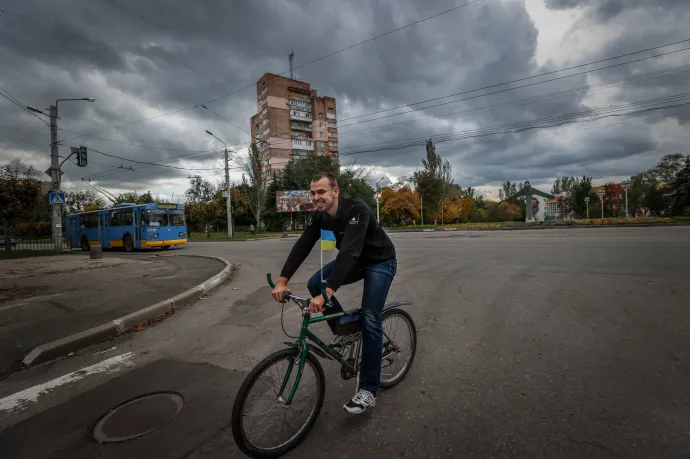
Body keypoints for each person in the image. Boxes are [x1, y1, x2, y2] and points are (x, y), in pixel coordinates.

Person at [271, 172, 397, 414]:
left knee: (371, 317)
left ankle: (369, 390)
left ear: (335, 191)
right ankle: (347, 329)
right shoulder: (321, 216)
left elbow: (348, 252)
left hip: (381, 262)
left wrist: (327, 294)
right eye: (313, 192)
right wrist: (282, 281)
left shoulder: (356, 209)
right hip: (356, 261)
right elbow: (303, 244)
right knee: (314, 282)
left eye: (321, 192)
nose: (316, 197)